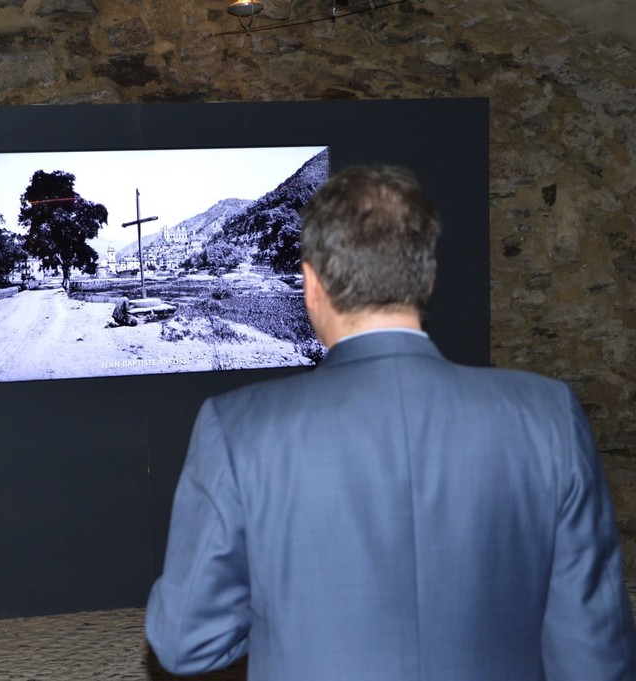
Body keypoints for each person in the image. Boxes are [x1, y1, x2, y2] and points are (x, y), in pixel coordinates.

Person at [145, 165, 636, 680]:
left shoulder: (237, 429)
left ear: (311, 284)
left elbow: (185, 642)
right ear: (427, 277)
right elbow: (596, 653)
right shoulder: (548, 417)